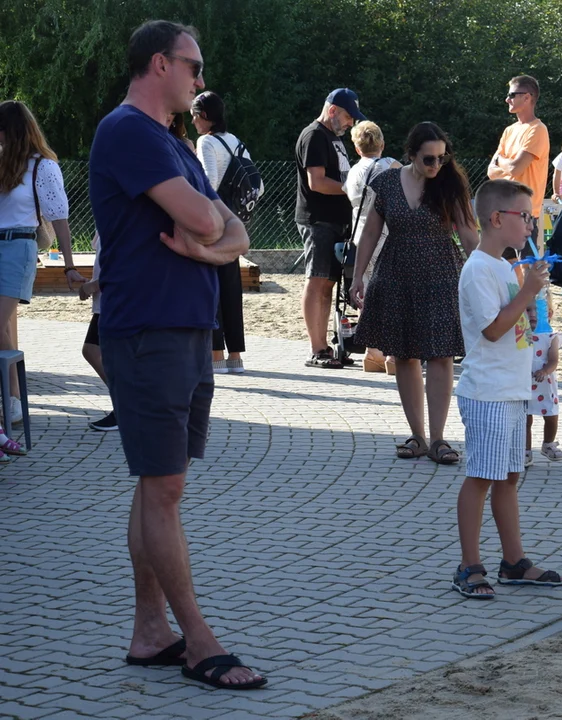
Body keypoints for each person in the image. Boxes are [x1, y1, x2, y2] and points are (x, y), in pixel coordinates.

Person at [89, 20, 264, 689]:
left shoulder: (172, 144)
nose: (200, 79)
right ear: (159, 63)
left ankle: (148, 633)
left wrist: (210, 246)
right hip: (149, 329)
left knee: (158, 485)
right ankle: (197, 639)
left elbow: (234, 230)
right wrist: (211, 236)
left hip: (183, 328)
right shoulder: (128, 132)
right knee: (162, 488)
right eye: (193, 66)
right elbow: (205, 220)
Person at [451, 178, 562, 599]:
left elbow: (524, 327)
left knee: (509, 474)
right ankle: (469, 564)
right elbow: (495, 329)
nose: (531, 226)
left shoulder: (504, 265)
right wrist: (528, 291)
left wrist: (536, 298)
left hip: (512, 389)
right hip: (487, 392)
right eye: (525, 217)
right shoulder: (479, 268)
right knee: (481, 476)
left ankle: (513, 561)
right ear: (497, 218)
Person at [350, 122, 478, 464]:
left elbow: (468, 233)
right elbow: (370, 233)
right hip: (395, 273)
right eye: (429, 159)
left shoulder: (450, 184)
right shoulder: (388, 182)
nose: (436, 165)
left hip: (440, 274)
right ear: (411, 155)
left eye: (441, 158)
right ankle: (418, 436)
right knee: (404, 355)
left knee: (440, 355)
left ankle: (438, 439)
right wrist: (357, 276)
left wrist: (489, 274)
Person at [0, 100, 84, 426]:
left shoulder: (42, 166)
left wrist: (69, 265)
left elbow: (59, 218)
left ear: (13, 129)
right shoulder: (2, 159)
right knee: (3, 328)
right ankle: (12, 399)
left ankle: (14, 400)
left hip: (19, 247)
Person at [294, 88, 365, 369]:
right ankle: (317, 348)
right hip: (318, 219)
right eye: (348, 116)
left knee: (329, 284)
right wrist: (354, 190)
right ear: (333, 110)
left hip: (337, 221)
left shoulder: (334, 138)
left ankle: (328, 346)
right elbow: (317, 182)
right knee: (318, 281)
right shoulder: (314, 135)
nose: (351, 123)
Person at [191, 90, 253, 373]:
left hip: (215, 220)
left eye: (194, 116)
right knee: (231, 287)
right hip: (236, 221)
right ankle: (235, 356)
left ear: (204, 116)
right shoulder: (236, 141)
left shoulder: (206, 141)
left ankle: (215, 354)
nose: (192, 122)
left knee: (211, 286)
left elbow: (209, 183)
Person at [344, 120, 401, 373]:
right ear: (382, 144)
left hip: (361, 234)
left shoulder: (354, 171)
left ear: (357, 148)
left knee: (368, 291)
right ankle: (393, 354)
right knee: (393, 291)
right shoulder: (390, 165)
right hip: (387, 231)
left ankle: (372, 352)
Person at [487, 75, 549, 258]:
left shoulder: (538, 129)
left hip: (525, 216)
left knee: (528, 271)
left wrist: (502, 162)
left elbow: (515, 168)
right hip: (503, 212)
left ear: (527, 97)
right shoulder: (509, 130)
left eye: (512, 94)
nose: (507, 99)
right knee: (506, 270)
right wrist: (508, 165)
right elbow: (491, 171)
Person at [79, 231, 118, 431]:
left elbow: (120, 267)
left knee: (93, 350)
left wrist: (92, 286)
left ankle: (126, 406)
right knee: (94, 351)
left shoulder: (120, 218)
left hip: (114, 302)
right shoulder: (106, 218)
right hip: (106, 302)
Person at [524, 302, 562, 467]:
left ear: (549, 313)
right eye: (528, 309)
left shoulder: (551, 336)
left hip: (545, 384)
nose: (533, 314)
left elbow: (554, 360)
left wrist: (545, 371)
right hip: (524, 382)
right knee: (525, 418)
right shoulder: (520, 334)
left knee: (551, 414)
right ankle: (525, 450)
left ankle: (548, 443)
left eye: (538, 310)